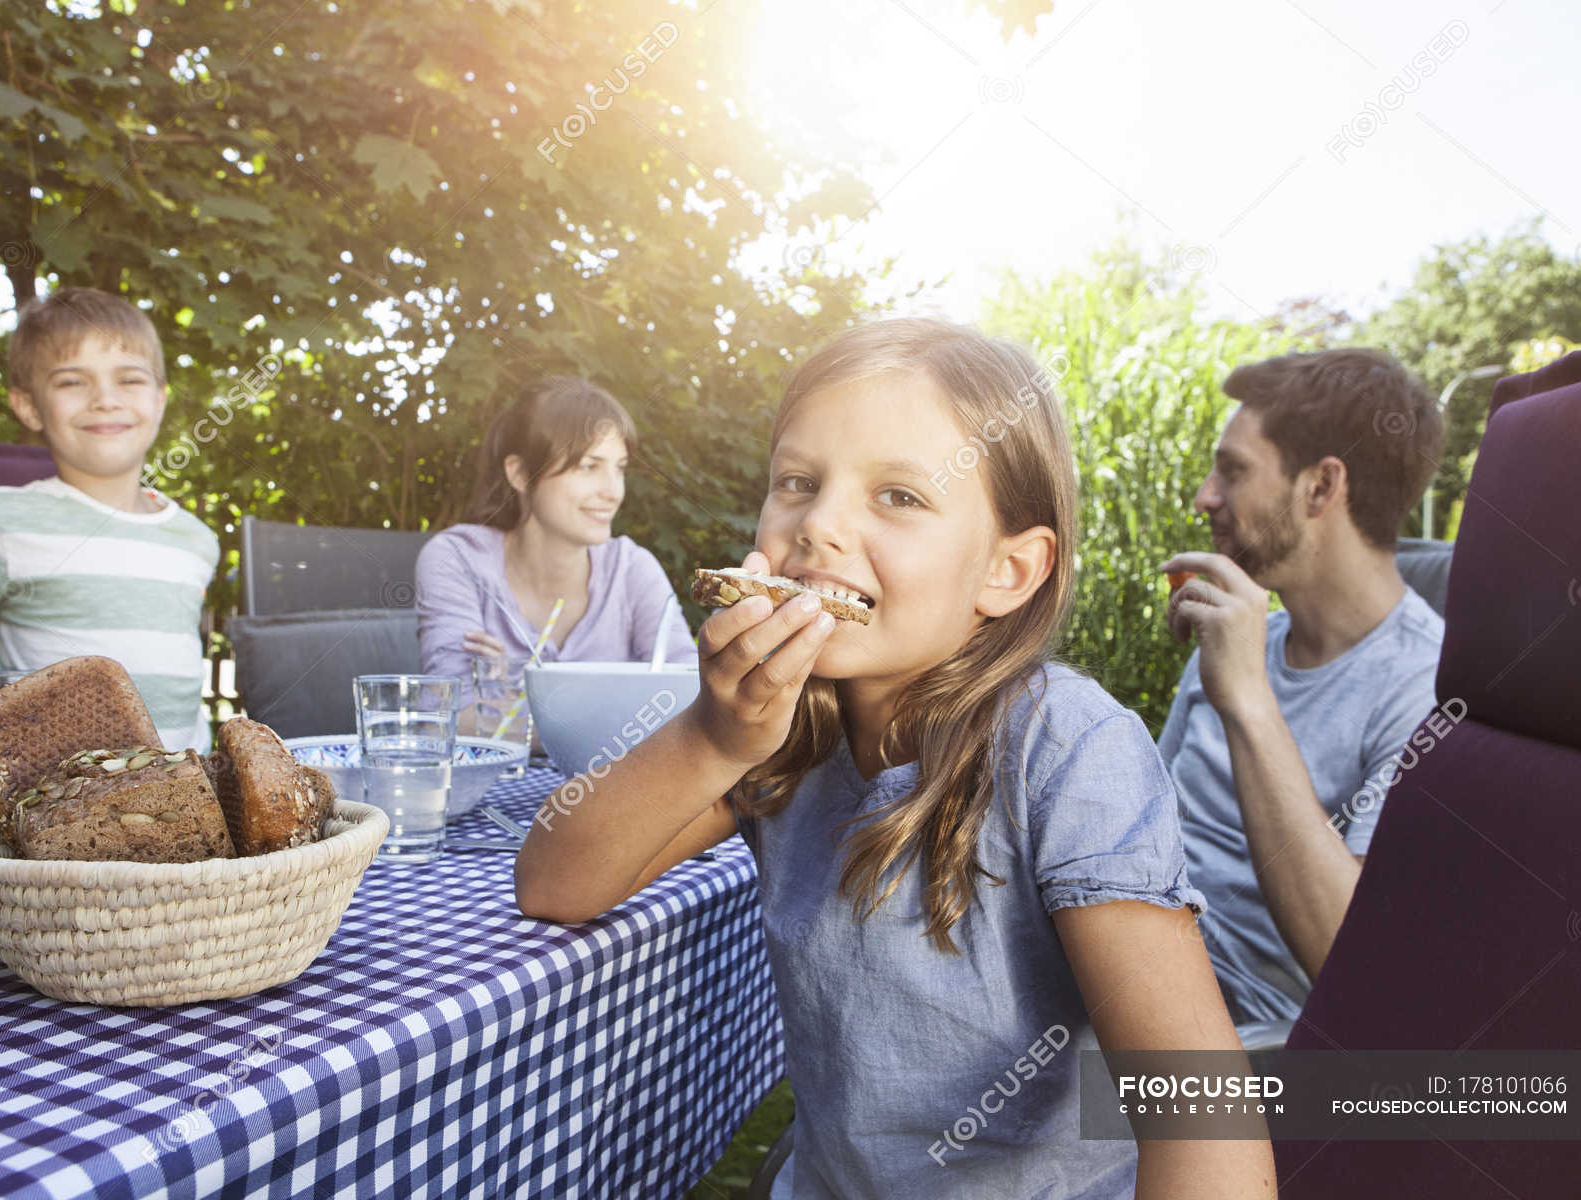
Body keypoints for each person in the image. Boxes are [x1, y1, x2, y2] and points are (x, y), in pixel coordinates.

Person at [515, 320, 1275, 1198]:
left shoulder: (1065, 749)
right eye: (797, 482)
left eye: (900, 498)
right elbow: (555, 882)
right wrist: (713, 737)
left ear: (1010, 571)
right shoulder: (787, 737)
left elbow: (1205, 1126)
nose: (819, 524)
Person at [1157, 348, 1446, 1029]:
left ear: (1320, 487)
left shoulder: (1428, 693)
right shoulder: (1240, 639)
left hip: (1241, 1042)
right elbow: (1146, 820)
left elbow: (1354, 963)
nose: (1205, 497)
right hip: (1132, 964)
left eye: (1233, 472)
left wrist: (1249, 701)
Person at [0, 288, 218, 831]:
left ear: (160, 398)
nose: (105, 399)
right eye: (72, 381)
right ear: (28, 405)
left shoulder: (197, 539)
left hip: (185, 819)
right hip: (50, 826)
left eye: (129, 378)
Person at [414, 376, 692, 732]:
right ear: (520, 474)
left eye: (619, 469)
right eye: (590, 466)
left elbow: (693, 704)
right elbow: (445, 721)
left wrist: (506, 700)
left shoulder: (632, 568)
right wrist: (626, 714)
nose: (613, 492)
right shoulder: (458, 559)